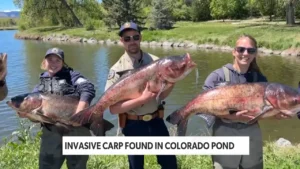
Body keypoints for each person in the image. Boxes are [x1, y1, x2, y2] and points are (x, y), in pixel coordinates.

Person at [200, 34, 291, 169]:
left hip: (251, 130)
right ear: (234, 51)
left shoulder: (259, 79)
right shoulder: (217, 76)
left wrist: (276, 115)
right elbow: (203, 106)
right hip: (225, 131)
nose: (245, 53)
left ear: (255, 54)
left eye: (250, 50)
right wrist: (231, 116)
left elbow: (263, 112)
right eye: (241, 49)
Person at [105, 21, 178, 169]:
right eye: (127, 38)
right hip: (132, 124)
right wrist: (142, 100)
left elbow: (162, 96)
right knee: (136, 166)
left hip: (156, 120)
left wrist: (172, 81)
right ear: (121, 41)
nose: (132, 41)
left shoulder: (156, 62)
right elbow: (113, 109)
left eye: (135, 37)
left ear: (140, 38)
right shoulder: (116, 70)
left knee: (170, 164)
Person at [18, 47, 96, 169]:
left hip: (78, 130)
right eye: (50, 60)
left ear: (63, 63)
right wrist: (28, 115)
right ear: (45, 62)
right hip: (51, 133)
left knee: (77, 166)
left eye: (57, 60)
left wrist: (80, 112)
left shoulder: (73, 76)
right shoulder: (39, 87)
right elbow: (36, 117)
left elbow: (88, 88)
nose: (53, 64)